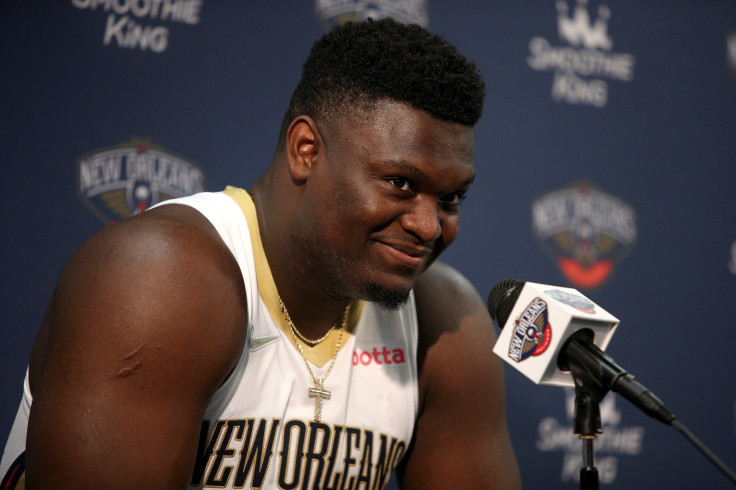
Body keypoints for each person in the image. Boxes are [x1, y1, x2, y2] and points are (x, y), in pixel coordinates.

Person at [1, 18, 522, 489]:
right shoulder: (159, 278)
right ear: (306, 151)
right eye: (400, 183)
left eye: (451, 198)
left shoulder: (443, 322)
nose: (429, 226)